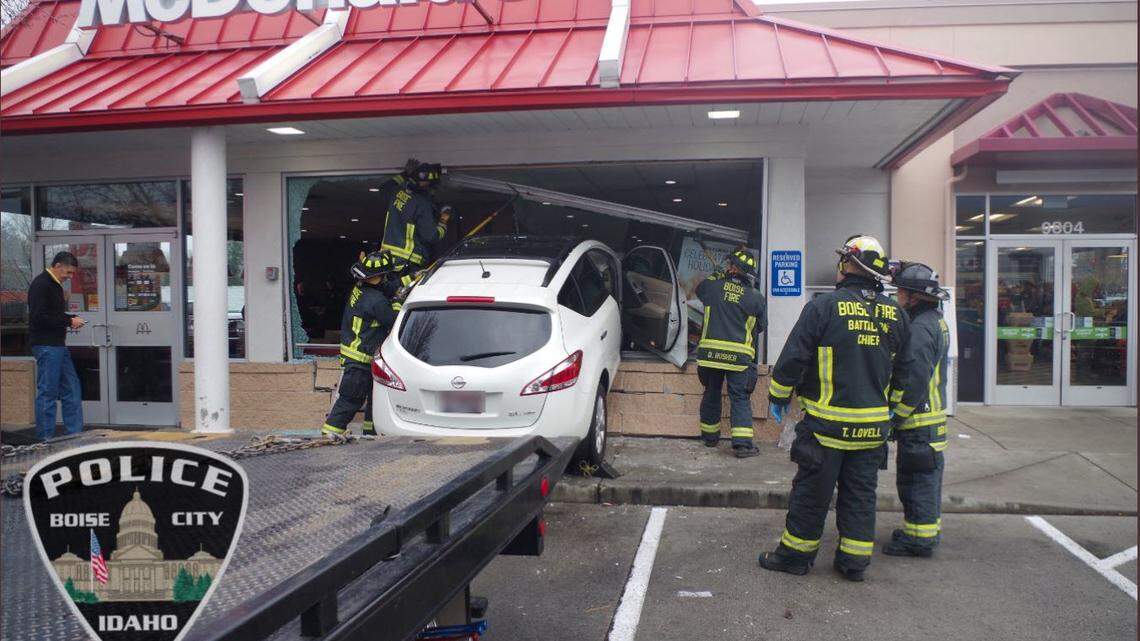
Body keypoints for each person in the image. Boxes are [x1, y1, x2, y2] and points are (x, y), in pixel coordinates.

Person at [759, 235, 910, 582]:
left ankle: (795, 557)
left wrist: (778, 396)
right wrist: (893, 411)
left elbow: (794, 357)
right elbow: (905, 371)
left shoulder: (824, 307)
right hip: (872, 431)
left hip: (826, 428)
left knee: (812, 494)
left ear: (848, 265)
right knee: (860, 496)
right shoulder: (897, 315)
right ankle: (854, 563)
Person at [884, 262, 951, 557]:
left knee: (916, 483)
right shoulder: (934, 321)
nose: (897, 296)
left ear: (914, 296)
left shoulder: (920, 329)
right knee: (925, 481)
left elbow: (913, 378)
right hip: (930, 421)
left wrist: (895, 416)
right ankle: (922, 532)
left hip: (919, 421)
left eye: (901, 291)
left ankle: (919, 540)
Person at [694, 250, 767, 458]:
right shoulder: (756, 297)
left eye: (729, 265)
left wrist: (717, 275)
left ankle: (710, 438)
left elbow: (699, 290)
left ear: (733, 268)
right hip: (739, 358)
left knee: (711, 392)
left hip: (711, 355)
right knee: (740, 398)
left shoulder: (713, 287)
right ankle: (742, 446)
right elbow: (761, 327)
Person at [321, 251, 400, 438]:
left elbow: (386, 288)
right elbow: (393, 321)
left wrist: (408, 279)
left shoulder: (360, 288)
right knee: (350, 400)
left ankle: (369, 433)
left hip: (360, 358)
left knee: (374, 400)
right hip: (360, 361)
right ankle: (329, 435)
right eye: (386, 275)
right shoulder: (377, 301)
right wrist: (397, 303)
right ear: (381, 276)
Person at [28, 251, 86, 441]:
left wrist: (69, 318)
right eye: (68, 272)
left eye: (72, 273)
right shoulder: (42, 284)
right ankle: (45, 439)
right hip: (46, 346)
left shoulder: (54, 285)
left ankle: (74, 435)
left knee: (72, 389)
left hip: (57, 345)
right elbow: (39, 317)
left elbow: (51, 314)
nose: (70, 277)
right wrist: (69, 321)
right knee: (48, 392)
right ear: (58, 265)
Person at [380, 161, 452, 271]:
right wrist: (443, 221)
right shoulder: (423, 204)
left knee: (390, 282)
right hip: (408, 261)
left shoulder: (397, 192)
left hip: (387, 258)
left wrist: (404, 174)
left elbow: (384, 188)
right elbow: (431, 236)